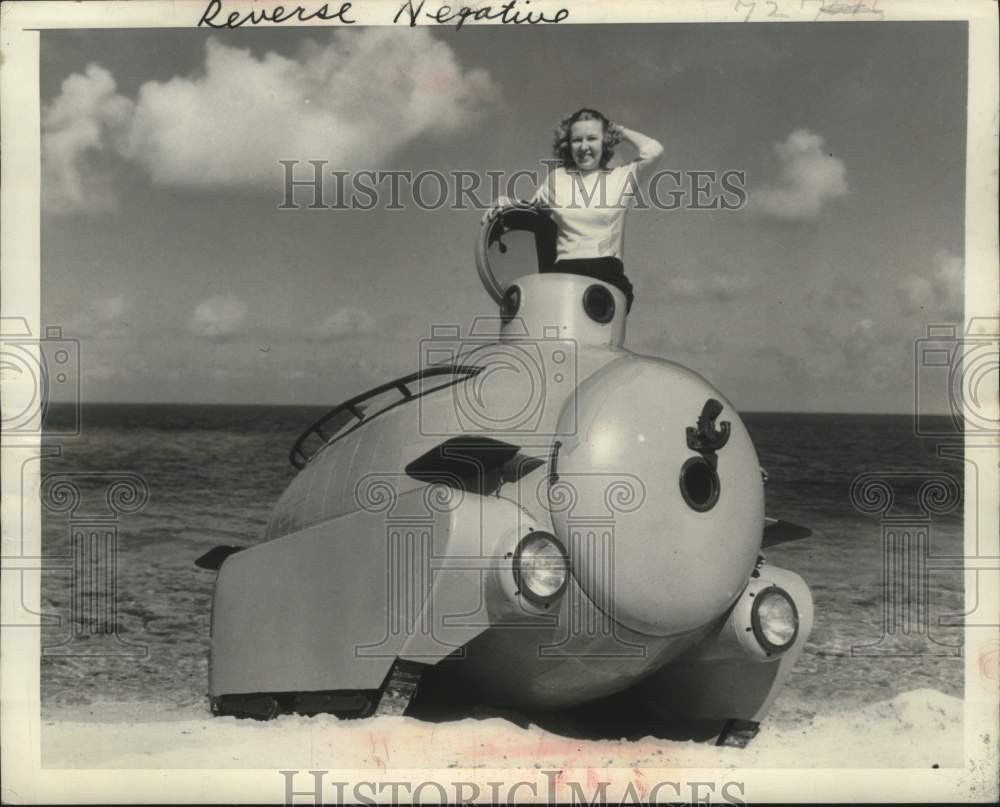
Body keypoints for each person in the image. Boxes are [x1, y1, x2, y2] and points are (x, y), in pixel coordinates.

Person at [530, 108, 663, 312]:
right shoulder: (556, 179)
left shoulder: (622, 177)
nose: (584, 147)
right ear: (567, 144)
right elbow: (528, 213)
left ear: (605, 141)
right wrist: (504, 205)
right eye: (576, 140)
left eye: (592, 138)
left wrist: (619, 131)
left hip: (606, 275)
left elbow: (654, 150)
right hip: (564, 276)